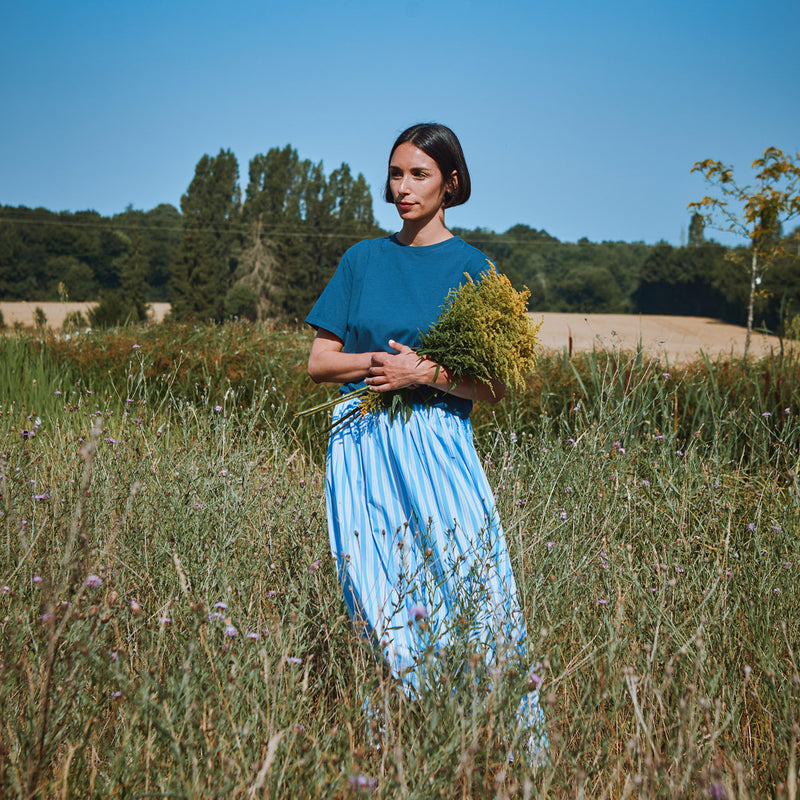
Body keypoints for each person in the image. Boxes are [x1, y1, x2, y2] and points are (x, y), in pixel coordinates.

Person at [306, 122, 546, 759]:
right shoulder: (362, 259)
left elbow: (493, 387)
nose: (403, 187)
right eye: (395, 173)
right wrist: (377, 368)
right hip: (358, 441)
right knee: (372, 592)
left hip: (437, 443)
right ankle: (390, 744)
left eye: (419, 174)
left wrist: (425, 374)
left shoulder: (474, 268)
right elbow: (319, 363)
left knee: (471, 584)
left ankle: (495, 744)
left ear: (452, 183)